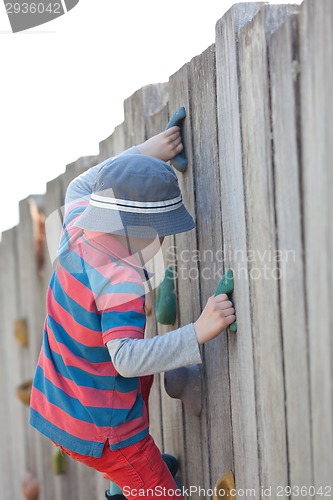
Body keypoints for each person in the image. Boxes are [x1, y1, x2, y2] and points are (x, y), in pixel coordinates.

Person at [29, 127, 236, 500]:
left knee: (136, 384)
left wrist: (141, 153)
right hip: (109, 435)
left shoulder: (78, 224)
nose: (162, 242)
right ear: (143, 232)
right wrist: (198, 331)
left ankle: (123, 487)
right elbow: (125, 358)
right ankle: (133, 484)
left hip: (63, 399)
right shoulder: (120, 278)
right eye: (162, 233)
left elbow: (79, 184)